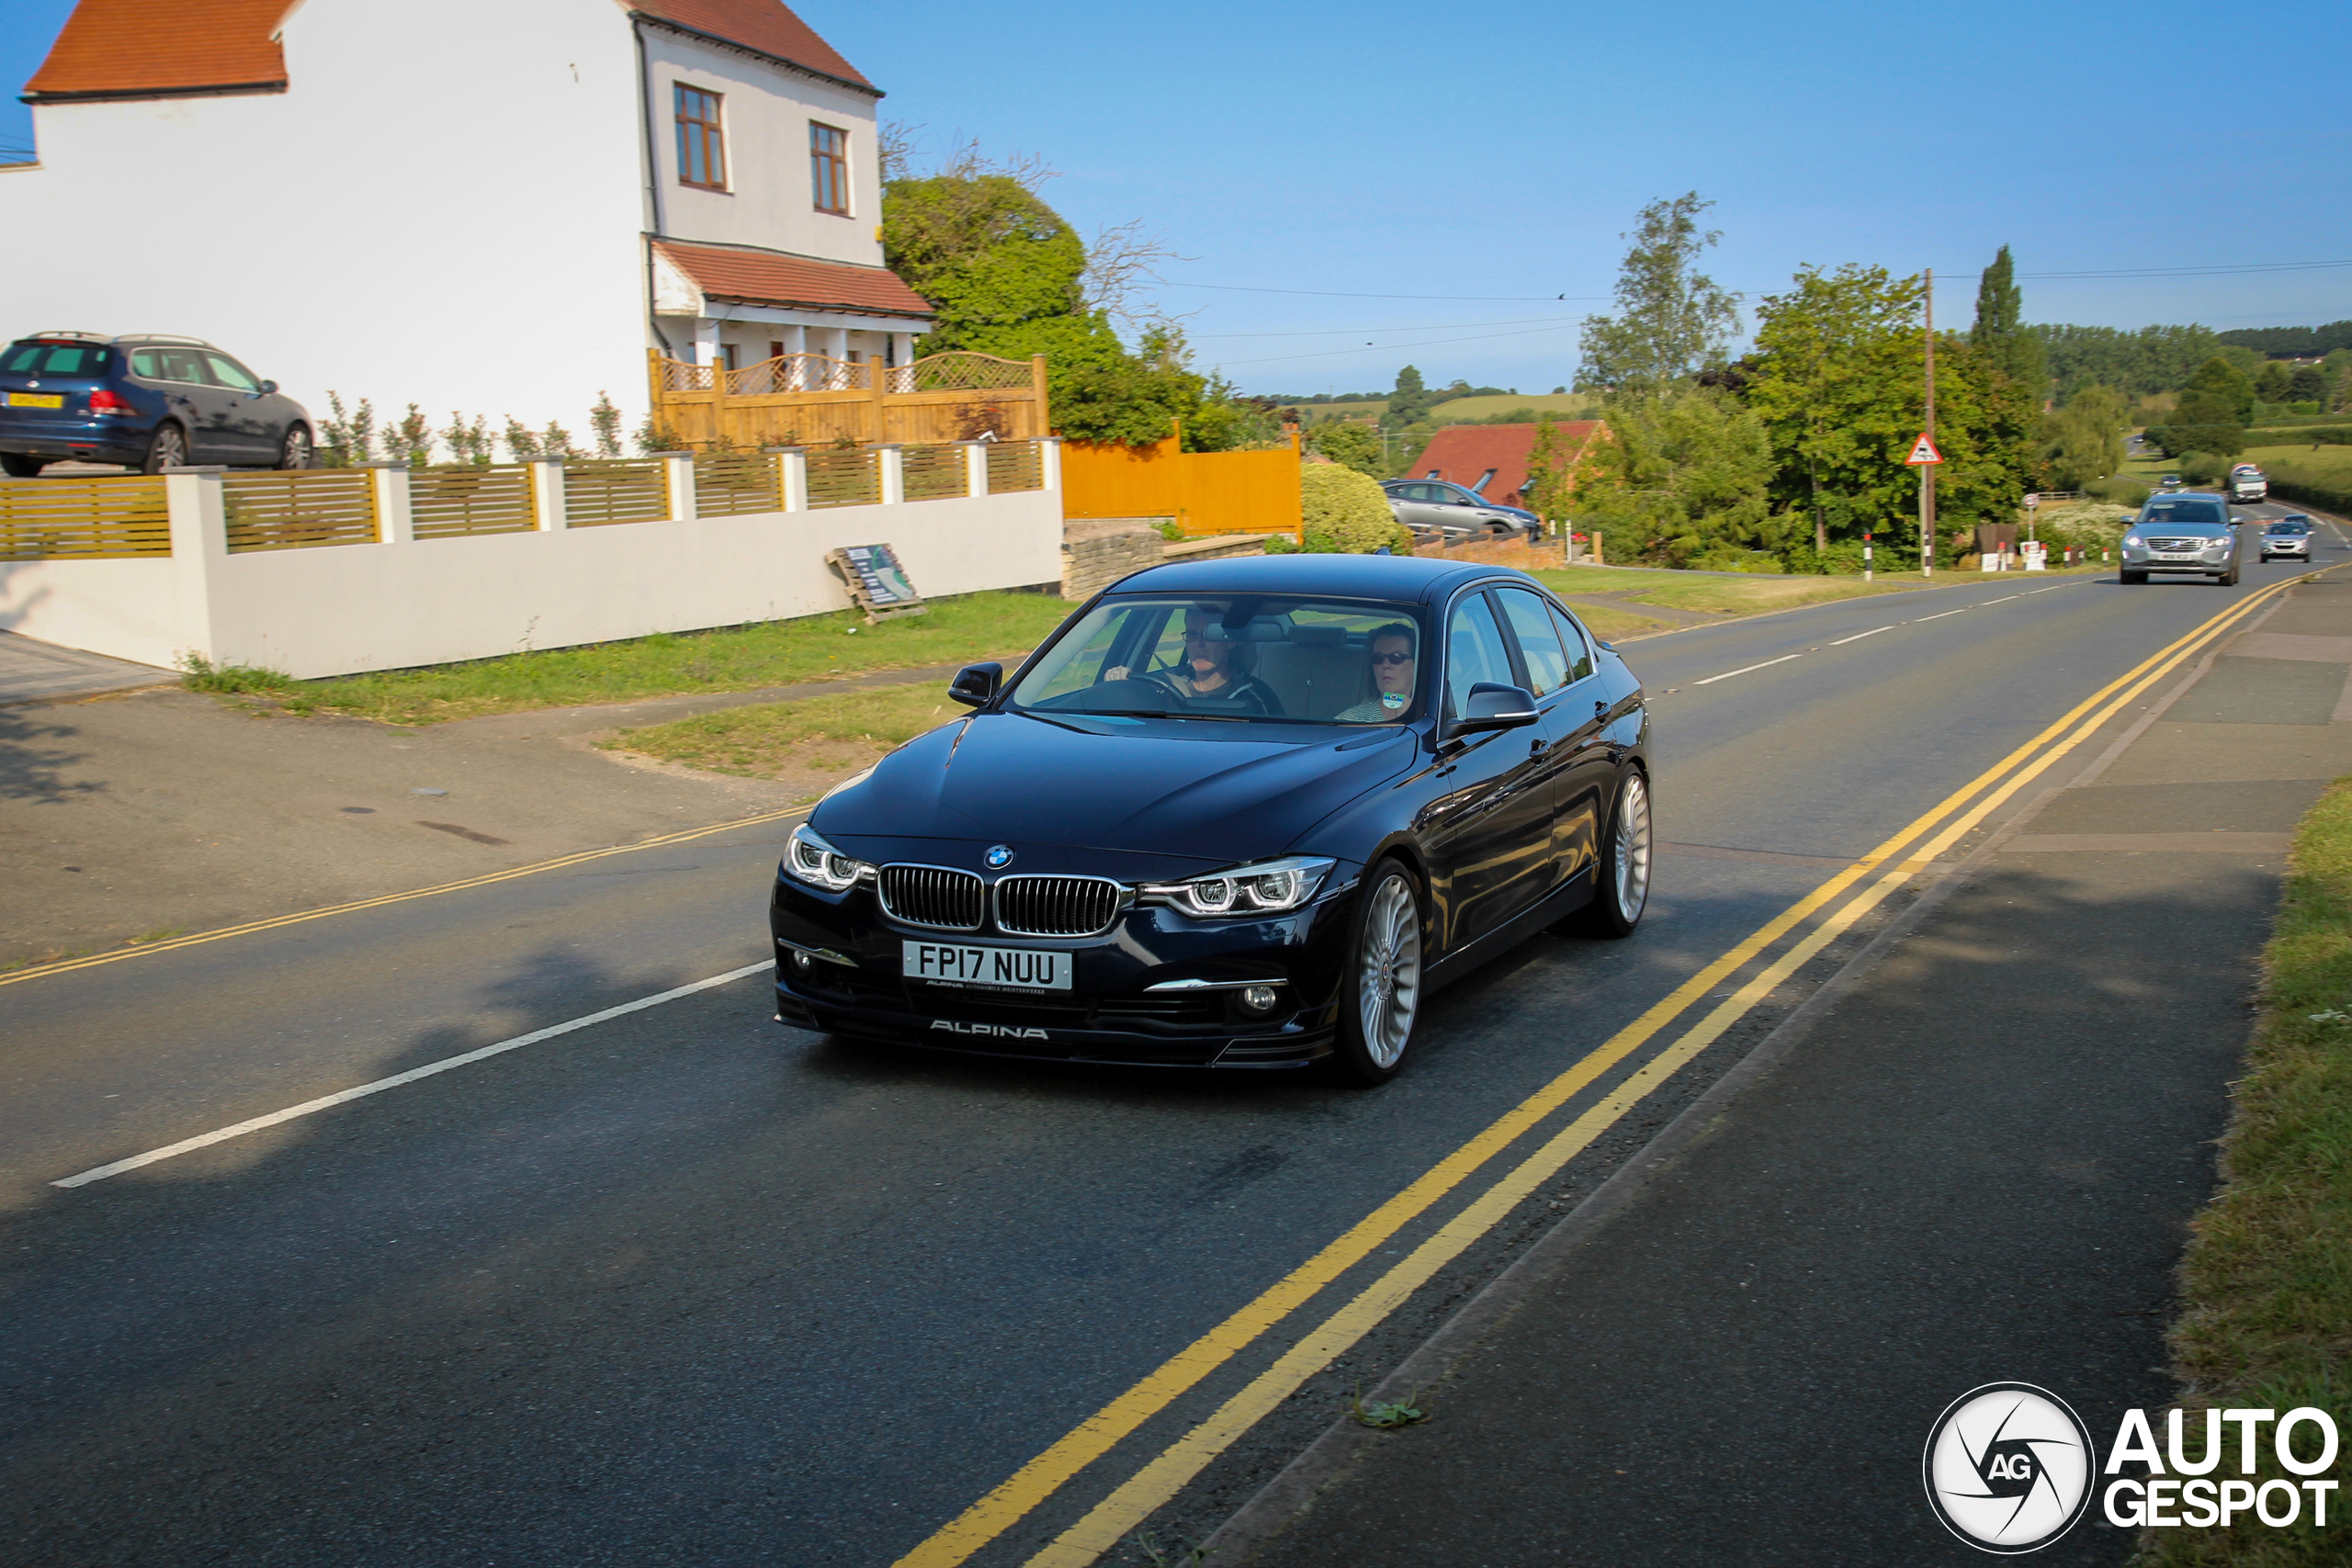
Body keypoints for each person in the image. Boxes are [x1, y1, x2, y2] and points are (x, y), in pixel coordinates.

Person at [1137, 604, 1283, 716]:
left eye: (1210, 635)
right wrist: (1120, 680)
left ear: (1230, 641)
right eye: (1192, 635)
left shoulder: (1256, 697)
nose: (1199, 644)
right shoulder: (1163, 687)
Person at [1335, 622, 1418, 722]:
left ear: (1416, 664)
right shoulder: (1350, 720)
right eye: (1378, 658)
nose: (1385, 665)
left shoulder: (1432, 718)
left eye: (1397, 657)